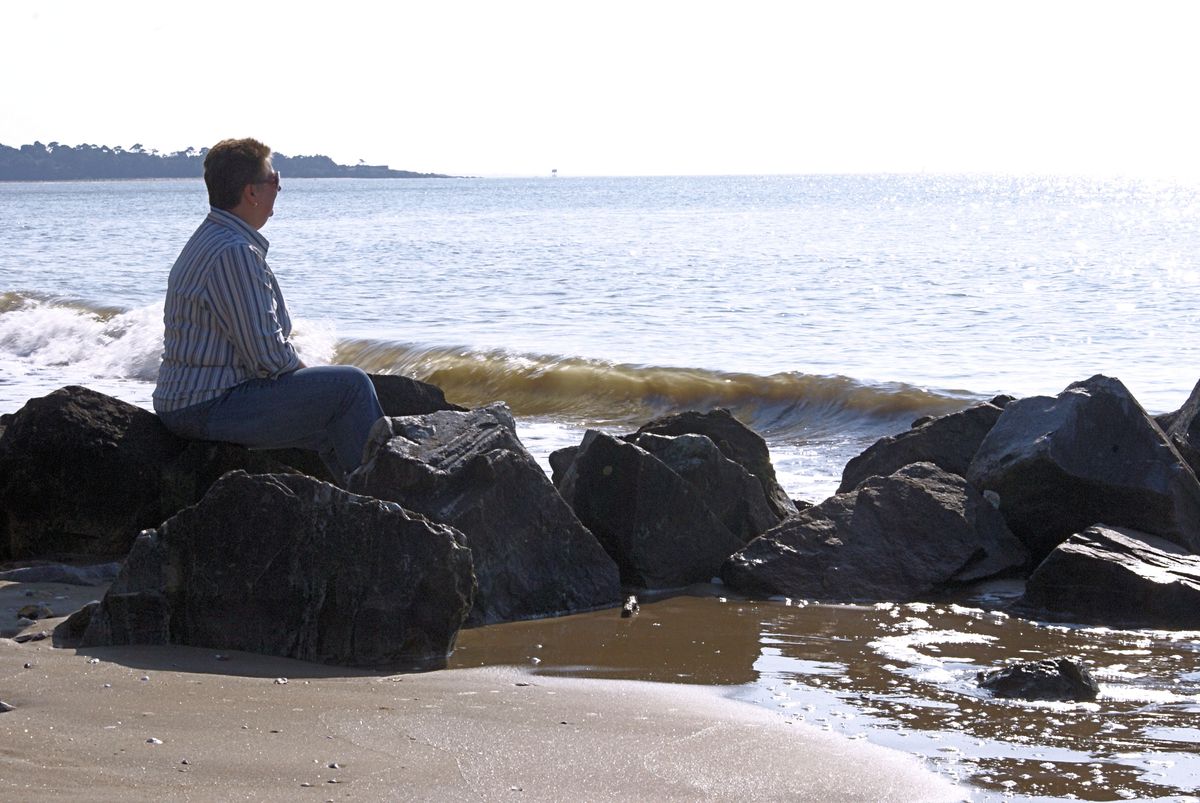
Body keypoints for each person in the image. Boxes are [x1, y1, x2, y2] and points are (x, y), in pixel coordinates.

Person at [153, 137, 383, 485]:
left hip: (187, 400)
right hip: (205, 406)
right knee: (350, 386)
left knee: (332, 425)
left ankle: (366, 505)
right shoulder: (235, 252)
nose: (279, 188)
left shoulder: (211, 238)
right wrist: (314, 379)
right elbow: (268, 357)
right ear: (252, 192)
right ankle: (388, 498)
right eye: (274, 180)